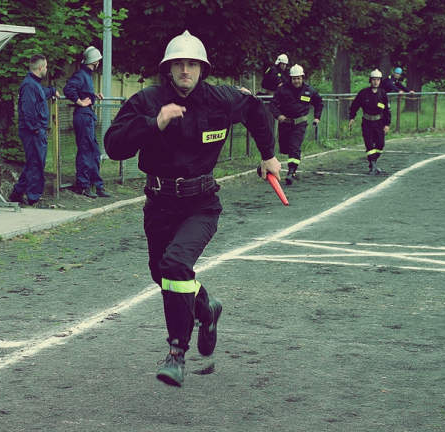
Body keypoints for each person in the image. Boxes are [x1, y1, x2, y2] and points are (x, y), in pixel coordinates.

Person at [104, 30, 281, 387]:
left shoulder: (221, 99)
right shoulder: (147, 100)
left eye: (192, 64)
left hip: (201, 204)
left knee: (174, 266)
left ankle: (176, 353)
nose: (185, 70)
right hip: (159, 204)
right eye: (178, 64)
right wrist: (154, 123)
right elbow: (113, 146)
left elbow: (256, 110)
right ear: (168, 69)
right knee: (163, 275)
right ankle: (205, 307)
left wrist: (269, 155)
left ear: (202, 68)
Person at [8, 54, 60, 207]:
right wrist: (36, 129)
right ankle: (33, 199)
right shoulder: (29, 85)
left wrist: (52, 91)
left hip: (34, 130)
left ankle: (17, 193)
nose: (47, 69)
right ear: (40, 67)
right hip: (32, 131)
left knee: (33, 162)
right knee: (36, 164)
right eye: (46, 66)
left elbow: (41, 94)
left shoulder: (33, 84)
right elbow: (28, 109)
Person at [64, 46, 111, 199]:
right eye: (99, 61)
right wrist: (79, 102)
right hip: (83, 116)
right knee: (86, 150)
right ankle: (83, 185)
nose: (99, 63)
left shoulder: (86, 75)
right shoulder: (81, 74)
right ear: (95, 61)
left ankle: (96, 184)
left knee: (94, 151)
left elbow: (81, 91)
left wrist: (93, 95)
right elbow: (69, 89)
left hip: (87, 116)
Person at [269, 64, 323, 185]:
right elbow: (273, 103)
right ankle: (291, 165)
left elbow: (319, 103)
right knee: (284, 148)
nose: (297, 81)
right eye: (294, 78)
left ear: (302, 77)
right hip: (285, 124)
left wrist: (317, 117)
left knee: (295, 146)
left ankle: (291, 172)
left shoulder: (310, 90)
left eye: (299, 78)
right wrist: (278, 115)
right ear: (290, 78)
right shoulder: (283, 89)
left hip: (300, 124)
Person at [348, 69, 392, 175]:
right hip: (367, 121)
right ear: (370, 80)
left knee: (380, 144)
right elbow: (354, 106)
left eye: (377, 80)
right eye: (373, 80)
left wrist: (387, 124)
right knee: (369, 143)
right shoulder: (363, 93)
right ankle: (372, 164)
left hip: (379, 121)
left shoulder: (383, 94)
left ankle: (374, 162)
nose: (375, 82)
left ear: (380, 81)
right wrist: (352, 117)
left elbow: (387, 110)